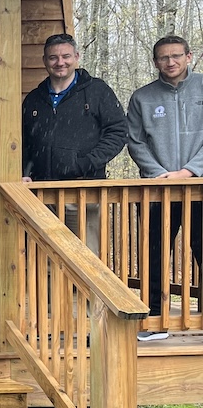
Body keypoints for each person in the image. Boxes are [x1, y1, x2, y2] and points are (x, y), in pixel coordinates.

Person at [126, 35, 203, 341]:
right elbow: (135, 141)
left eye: (176, 56)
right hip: (157, 190)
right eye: (163, 57)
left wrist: (189, 171)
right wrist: (159, 174)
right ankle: (155, 319)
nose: (170, 62)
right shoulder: (142, 97)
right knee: (154, 254)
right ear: (155, 61)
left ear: (189, 56)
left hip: (199, 187)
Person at [22, 33, 126, 256]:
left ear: (76, 57)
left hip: (83, 191)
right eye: (53, 57)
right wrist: (24, 172)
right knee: (46, 258)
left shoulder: (97, 91)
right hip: (42, 194)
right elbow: (24, 143)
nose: (60, 62)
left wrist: (85, 163)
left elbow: (118, 132)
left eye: (66, 56)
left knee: (86, 257)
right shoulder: (34, 99)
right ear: (44, 61)